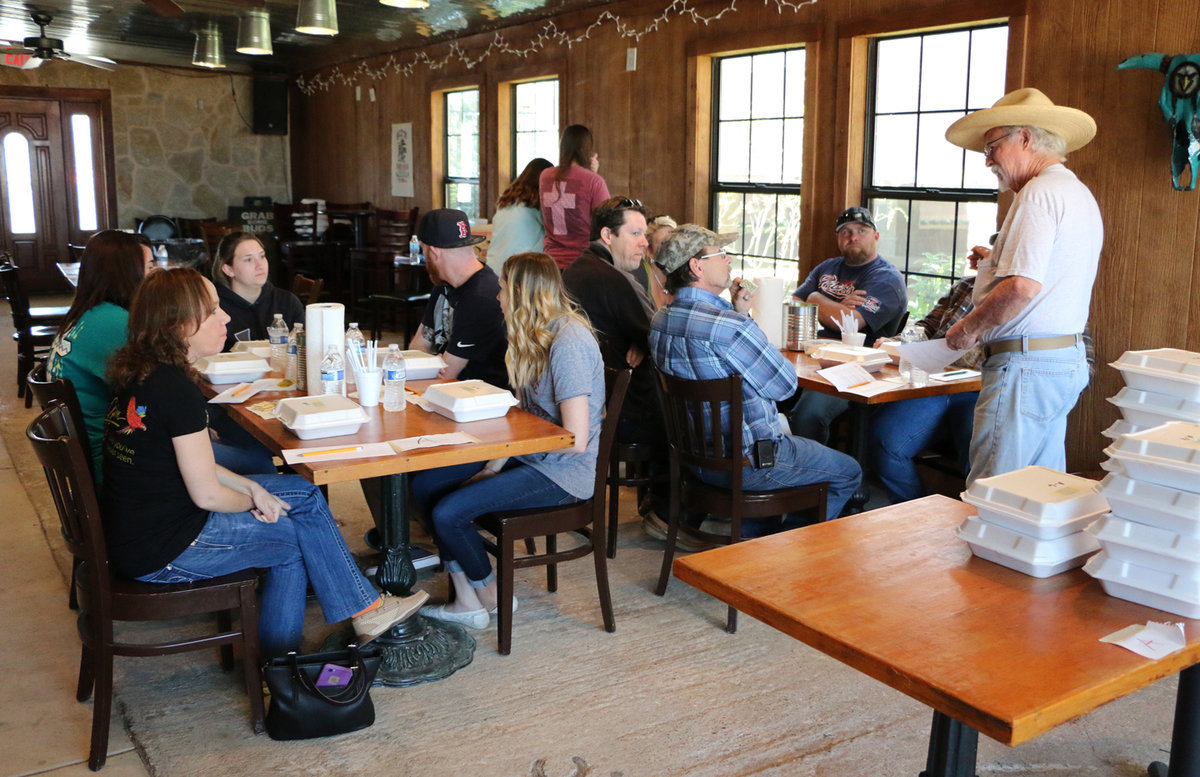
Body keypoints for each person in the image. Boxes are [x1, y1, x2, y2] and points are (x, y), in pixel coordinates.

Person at [101, 267, 428, 656]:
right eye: (212, 311)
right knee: (292, 543)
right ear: (179, 324)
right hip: (164, 548)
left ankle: (365, 610)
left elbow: (191, 464)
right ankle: (280, 662)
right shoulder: (176, 392)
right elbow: (207, 495)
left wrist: (252, 486)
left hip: (142, 526)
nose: (225, 317)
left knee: (302, 492)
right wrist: (253, 502)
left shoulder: (144, 373)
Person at [411, 252, 605, 628]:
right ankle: (465, 599)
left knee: (449, 513)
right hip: (532, 457)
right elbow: (527, 419)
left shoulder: (568, 342)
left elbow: (576, 439)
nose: (498, 297)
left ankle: (492, 596)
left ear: (522, 294)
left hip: (566, 473)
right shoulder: (532, 335)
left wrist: (500, 459)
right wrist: (493, 464)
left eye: (503, 289)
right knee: (426, 483)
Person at [649, 225, 861, 533]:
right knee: (848, 471)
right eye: (721, 254)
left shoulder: (660, 321)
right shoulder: (731, 328)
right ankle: (790, 549)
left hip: (693, 461)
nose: (730, 260)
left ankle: (758, 539)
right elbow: (785, 386)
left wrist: (740, 313)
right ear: (696, 266)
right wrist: (742, 320)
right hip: (751, 464)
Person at [943, 88, 1101, 485]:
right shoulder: (1075, 192)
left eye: (993, 146)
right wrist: (995, 263)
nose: (988, 160)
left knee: (993, 494)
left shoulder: (1038, 194)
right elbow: (1045, 276)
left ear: (1025, 139)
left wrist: (968, 329)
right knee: (1038, 492)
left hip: (1025, 367)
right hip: (1061, 361)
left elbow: (1022, 288)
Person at [561, 197, 676, 544]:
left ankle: (658, 503)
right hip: (615, 413)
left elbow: (644, 334)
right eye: (636, 233)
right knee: (693, 417)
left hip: (588, 402)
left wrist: (642, 340)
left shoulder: (579, 267)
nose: (645, 241)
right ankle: (669, 512)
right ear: (607, 235)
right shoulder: (611, 278)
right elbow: (659, 337)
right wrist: (646, 339)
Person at [868, 247, 985, 504]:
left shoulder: (1020, 296)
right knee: (884, 439)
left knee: (978, 453)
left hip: (981, 390)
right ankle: (915, 510)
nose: (978, 262)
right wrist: (897, 341)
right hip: (936, 382)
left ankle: (972, 521)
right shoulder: (966, 286)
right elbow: (928, 325)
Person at [788, 207, 908, 444]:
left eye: (861, 231)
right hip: (811, 356)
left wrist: (815, 299)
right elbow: (793, 303)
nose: (853, 237)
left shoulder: (886, 279)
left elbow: (850, 321)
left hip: (858, 369)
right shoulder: (827, 267)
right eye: (846, 232)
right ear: (838, 238)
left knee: (807, 416)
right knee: (765, 394)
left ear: (876, 236)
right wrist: (835, 306)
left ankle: (817, 476)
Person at [47, 230, 153, 475]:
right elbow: (159, 386)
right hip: (112, 462)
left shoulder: (88, 314)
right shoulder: (113, 322)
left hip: (91, 453)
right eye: (148, 268)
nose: (153, 277)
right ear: (127, 273)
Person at [408, 208, 509, 387]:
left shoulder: (480, 297)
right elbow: (417, 346)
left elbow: (446, 374)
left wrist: (430, 365)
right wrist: (432, 364)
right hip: (448, 393)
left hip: (478, 400)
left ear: (434, 253)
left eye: (423, 252)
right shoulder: (444, 283)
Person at [211, 231, 304, 352]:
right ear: (229, 270)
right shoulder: (214, 308)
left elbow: (304, 350)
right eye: (249, 259)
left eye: (262, 256)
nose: (260, 265)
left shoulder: (287, 301)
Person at [539, 125, 610, 269]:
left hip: (551, 264)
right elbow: (608, 219)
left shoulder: (545, 176)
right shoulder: (593, 181)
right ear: (587, 149)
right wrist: (593, 174)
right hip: (583, 263)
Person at [486, 157, 554, 276]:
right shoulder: (537, 203)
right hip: (519, 272)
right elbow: (556, 232)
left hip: (493, 267)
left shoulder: (506, 200)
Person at [644, 215, 676, 309]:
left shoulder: (685, 277)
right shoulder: (640, 279)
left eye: (674, 241)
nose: (672, 248)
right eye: (663, 243)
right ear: (649, 251)